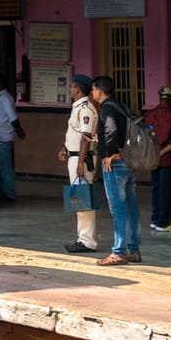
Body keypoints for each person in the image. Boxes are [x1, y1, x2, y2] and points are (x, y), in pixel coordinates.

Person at [92, 76, 142, 265]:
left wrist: (108, 154)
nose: (92, 92)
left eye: (94, 89)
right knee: (131, 206)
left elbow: (111, 131)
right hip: (127, 161)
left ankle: (118, 252)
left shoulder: (107, 107)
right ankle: (134, 250)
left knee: (118, 209)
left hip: (115, 164)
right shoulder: (121, 106)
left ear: (100, 90)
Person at [60, 74, 99, 253]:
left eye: (72, 86)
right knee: (79, 199)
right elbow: (74, 133)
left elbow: (86, 138)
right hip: (75, 156)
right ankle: (82, 238)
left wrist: (81, 162)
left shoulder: (85, 109)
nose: (70, 89)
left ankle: (87, 240)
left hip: (81, 158)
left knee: (83, 199)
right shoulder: (77, 108)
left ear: (78, 88)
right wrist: (65, 148)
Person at [144, 86, 171, 232]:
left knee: (156, 189)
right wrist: (162, 152)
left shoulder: (150, 114)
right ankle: (163, 222)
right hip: (170, 159)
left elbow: (145, 136)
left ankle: (155, 219)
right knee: (166, 191)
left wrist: (154, 153)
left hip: (154, 158)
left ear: (160, 97)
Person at [0, 73, 25, 202]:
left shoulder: (5, 98)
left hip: (3, 137)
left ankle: (8, 193)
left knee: (5, 166)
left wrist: (19, 131)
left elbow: (12, 117)